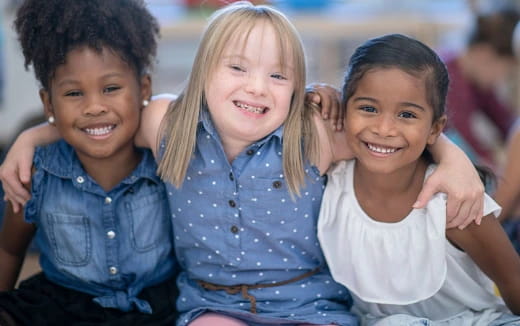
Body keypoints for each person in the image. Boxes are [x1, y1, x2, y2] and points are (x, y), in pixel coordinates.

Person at [0, 2, 485, 325]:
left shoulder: (312, 134)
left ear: (297, 86)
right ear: (204, 69)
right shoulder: (167, 126)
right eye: (237, 67)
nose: (256, 87)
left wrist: (453, 158)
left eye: (277, 75)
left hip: (306, 305)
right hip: (212, 304)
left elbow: (393, 134)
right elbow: (99, 118)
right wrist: (30, 137)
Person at [318, 33, 520, 326]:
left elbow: (514, 282)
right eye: (368, 109)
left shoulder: (456, 202)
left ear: (435, 129)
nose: (384, 128)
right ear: (343, 108)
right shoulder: (329, 178)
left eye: (407, 114)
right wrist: (314, 91)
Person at [0, 0, 178, 325]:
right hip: (63, 306)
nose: (94, 107)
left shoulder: (165, 159)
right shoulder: (36, 174)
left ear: (144, 89)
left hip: (155, 307)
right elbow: (9, 250)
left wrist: (32, 135)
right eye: (73, 94)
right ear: (48, 103)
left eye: (111, 88)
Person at [443, 6, 520, 169]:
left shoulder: (475, 80)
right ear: (484, 54)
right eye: (505, 71)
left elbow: (506, 121)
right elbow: (466, 146)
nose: (501, 79)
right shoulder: (448, 80)